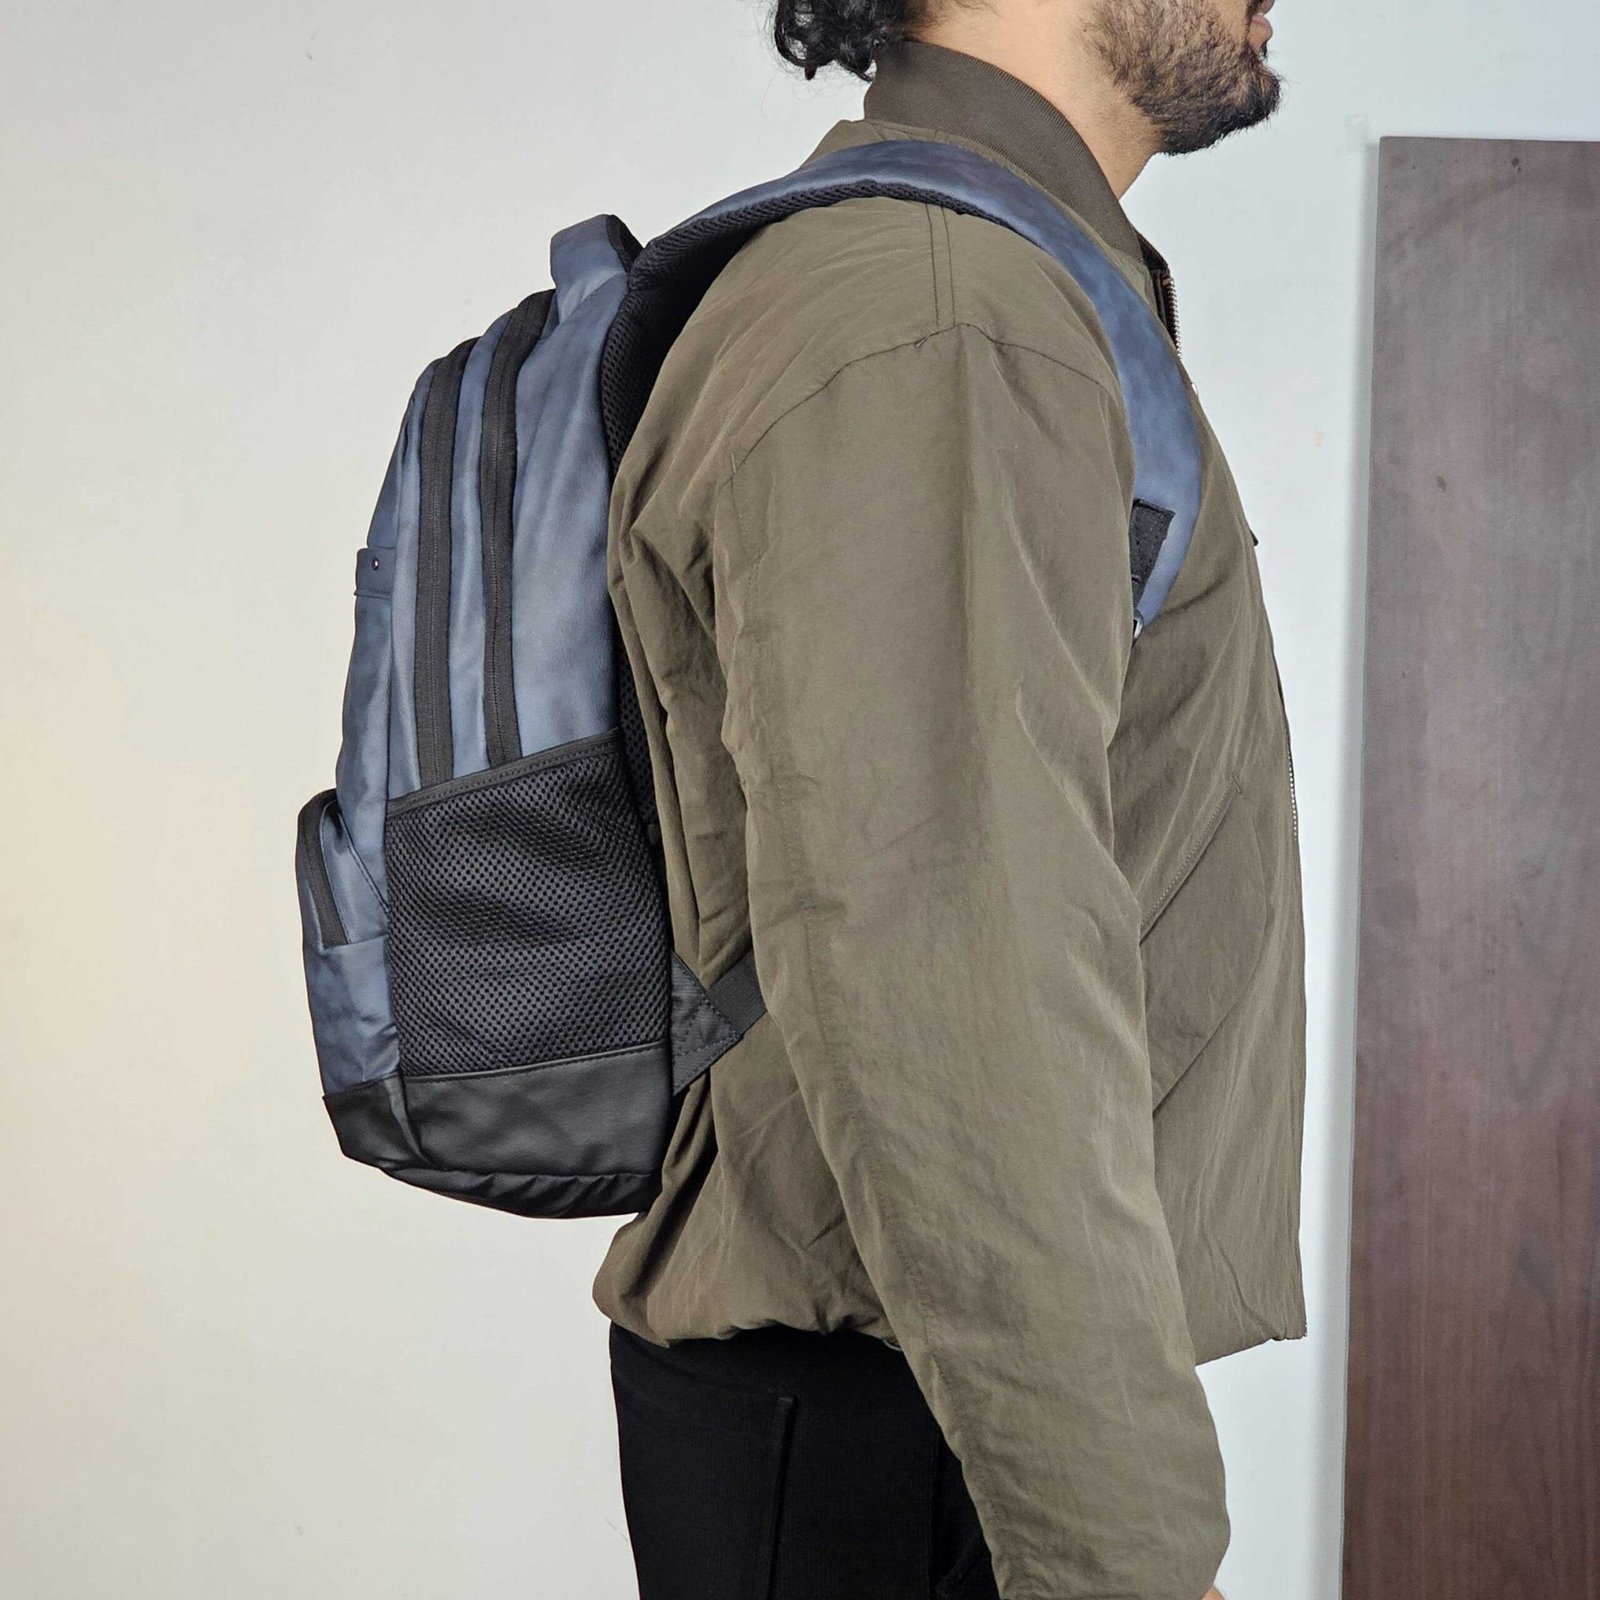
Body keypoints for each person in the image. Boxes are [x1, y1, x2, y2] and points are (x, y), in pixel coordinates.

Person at [596, 1, 1304, 1596]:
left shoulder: (995, 280)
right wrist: (1124, 1559)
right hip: (912, 1410)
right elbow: (947, 974)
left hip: (932, 1383)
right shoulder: (941, 311)